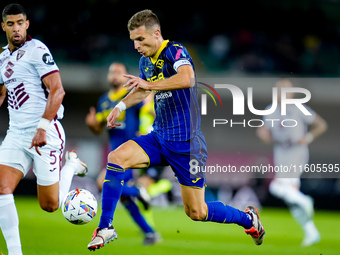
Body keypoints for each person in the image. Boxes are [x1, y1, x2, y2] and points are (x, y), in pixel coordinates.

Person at [87, 9, 265, 251]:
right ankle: (106, 227)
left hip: (186, 145)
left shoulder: (174, 50)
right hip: (159, 138)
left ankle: (248, 219)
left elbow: (187, 78)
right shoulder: (145, 61)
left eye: (140, 39)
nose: (137, 46)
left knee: (197, 212)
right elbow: (143, 89)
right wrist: (119, 107)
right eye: (133, 41)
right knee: (116, 158)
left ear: (156, 33)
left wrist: (148, 84)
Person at [0, 4, 87, 255]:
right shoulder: (2, 57)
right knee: (2, 188)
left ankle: (70, 165)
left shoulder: (37, 50)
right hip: (16, 134)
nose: (16, 28)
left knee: (50, 205)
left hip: (45, 133)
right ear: (3, 26)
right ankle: (16, 252)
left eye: (20, 23)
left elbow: (58, 90)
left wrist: (42, 126)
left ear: (27, 24)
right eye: (10, 24)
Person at [86, 62, 161, 245]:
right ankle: (150, 232)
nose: (115, 75)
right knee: (125, 198)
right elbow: (99, 129)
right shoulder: (104, 100)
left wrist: (147, 123)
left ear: (126, 75)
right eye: (112, 72)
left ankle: (138, 191)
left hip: (129, 152)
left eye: (119, 72)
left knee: (103, 182)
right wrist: (92, 125)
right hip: (115, 152)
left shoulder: (130, 97)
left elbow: (147, 106)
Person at [257, 79, 327, 246]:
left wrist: (308, 138)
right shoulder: (270, 110)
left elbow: (321, 124)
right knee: (290, 197)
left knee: (277, 187)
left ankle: (305, 201)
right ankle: (312, 232)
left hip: (297, 152)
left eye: (287, 90)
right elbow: (266, 133)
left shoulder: (299, 108)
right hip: (281, 153)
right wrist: (263, 134)